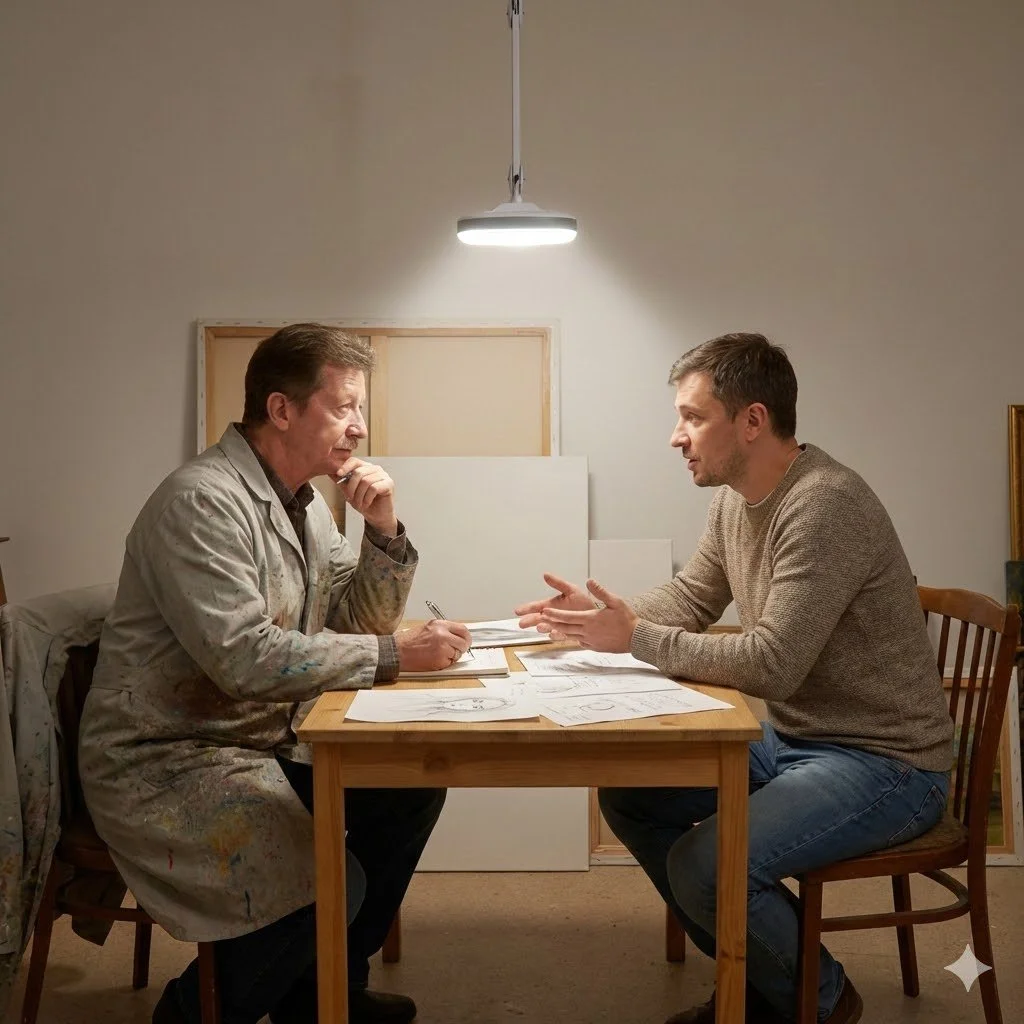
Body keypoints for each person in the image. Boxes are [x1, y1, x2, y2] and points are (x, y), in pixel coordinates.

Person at [515, 333, 953, 1024]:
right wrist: (606, 616)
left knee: (706, 864)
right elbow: (692, 596)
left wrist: (635, 639)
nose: (675, 436)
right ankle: (758, 984)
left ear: (752, 420)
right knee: (633, 796)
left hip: (886, 764)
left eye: (693, 417)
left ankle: (820, 1002)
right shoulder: (735, 501)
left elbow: (772, 664)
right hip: (800, 743)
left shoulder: (826, 504)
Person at [79, 323, 472, 1024]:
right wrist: (392, 660)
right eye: (344, 406)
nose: (360, 427)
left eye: (361, 409)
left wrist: (382, 531)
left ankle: (327, 995)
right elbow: (244, 657)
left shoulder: (305, 503)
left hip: (258, 739)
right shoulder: (202, 501)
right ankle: (187, 1015)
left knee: (409, 790)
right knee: (324, 881)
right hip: (168, 758)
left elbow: (359, 621)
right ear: (282, 409)